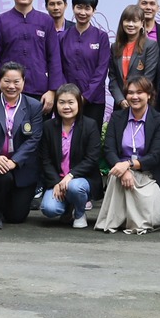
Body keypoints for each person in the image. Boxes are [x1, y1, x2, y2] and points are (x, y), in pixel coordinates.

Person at [96, 78, 160, 234]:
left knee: (152, 219)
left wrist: (129, 165)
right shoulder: (117, 118)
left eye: (140, 92)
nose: (134, 97)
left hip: (150, 175)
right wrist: (123, 169)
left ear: (149, 95)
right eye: (130, 93)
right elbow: (109, 149)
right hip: (120, 171)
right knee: (117, 176)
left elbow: (156, 156)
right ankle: (121, 218)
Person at [0, 62, 43, 228]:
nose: (11, 86)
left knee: (16, 216)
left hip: (22, 166)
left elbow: (34, 139)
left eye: (16, 82)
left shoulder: (33, 106)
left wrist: (15, 161)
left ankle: (6, 201)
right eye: (6, 81)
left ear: (23, 82)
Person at [0, 0, 63, 112]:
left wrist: (52, 91)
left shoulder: (46, 21)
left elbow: (54, 57)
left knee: (37, 133)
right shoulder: (1, 21)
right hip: (9, 90)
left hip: (39, 91)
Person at [38, 84, 100, 227]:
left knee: (74, 187)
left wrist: (70, 176)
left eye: (71, 102)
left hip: (80, 180)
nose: (66, 107)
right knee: (49, 209)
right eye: (62, 102)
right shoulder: (48, 126)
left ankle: (79, 213)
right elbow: (45, 160)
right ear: (56, 104)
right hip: (58, 180)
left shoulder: (90, 125)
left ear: (79, 103)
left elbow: (92, 159)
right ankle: (68, 208)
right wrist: (56, 182)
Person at [57, 0, 111, 124]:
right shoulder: (62, 37)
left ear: (94, 10)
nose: (82, 12)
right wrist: (68, 95)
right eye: (79, 7)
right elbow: (58, 67)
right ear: (72, 7)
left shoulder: (101, 37)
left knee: (91, 139)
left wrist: (85, 96)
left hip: (94, 100)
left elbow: (102, 69)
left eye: (87, 8)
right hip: (67, 100)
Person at [108, 6, 160, 126]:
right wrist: (121, 99)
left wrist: (133, 96)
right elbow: (113, 77)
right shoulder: (115, 47)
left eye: (135, 21)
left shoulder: (150, 46)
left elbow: (148, 77)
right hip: (120, 104)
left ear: (142, 23)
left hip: (141, 103)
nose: (131, 24)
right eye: (127, 20)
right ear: (122, 23)